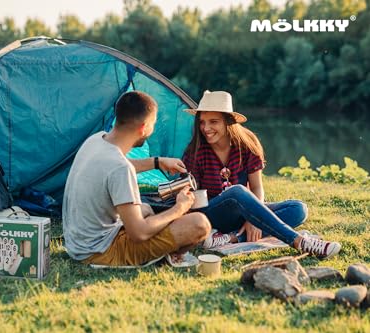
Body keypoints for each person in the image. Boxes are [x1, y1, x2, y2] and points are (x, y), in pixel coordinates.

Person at [182, 90, 341, 259]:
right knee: (237, 192)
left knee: (298, 209)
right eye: (202, 122)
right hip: (211, 215)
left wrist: (253, 220)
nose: (206, 128)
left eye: (213, 122)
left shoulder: (247, 144)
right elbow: (192, 199)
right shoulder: (196, 151)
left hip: (242, 213)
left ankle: (232, 238)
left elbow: (257, 187)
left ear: (228, 122)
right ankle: (299, 241)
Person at [63, 91, 211, 266]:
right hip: (99, 252)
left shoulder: (96, 140)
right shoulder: (119, 168)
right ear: (143, 128)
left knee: (146, 208)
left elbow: (115, 168)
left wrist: (158, 162)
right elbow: (138, 233)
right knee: (199, 224)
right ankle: (167, 255)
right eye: (153, 124)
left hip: (78, 243)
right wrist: (179, 208)